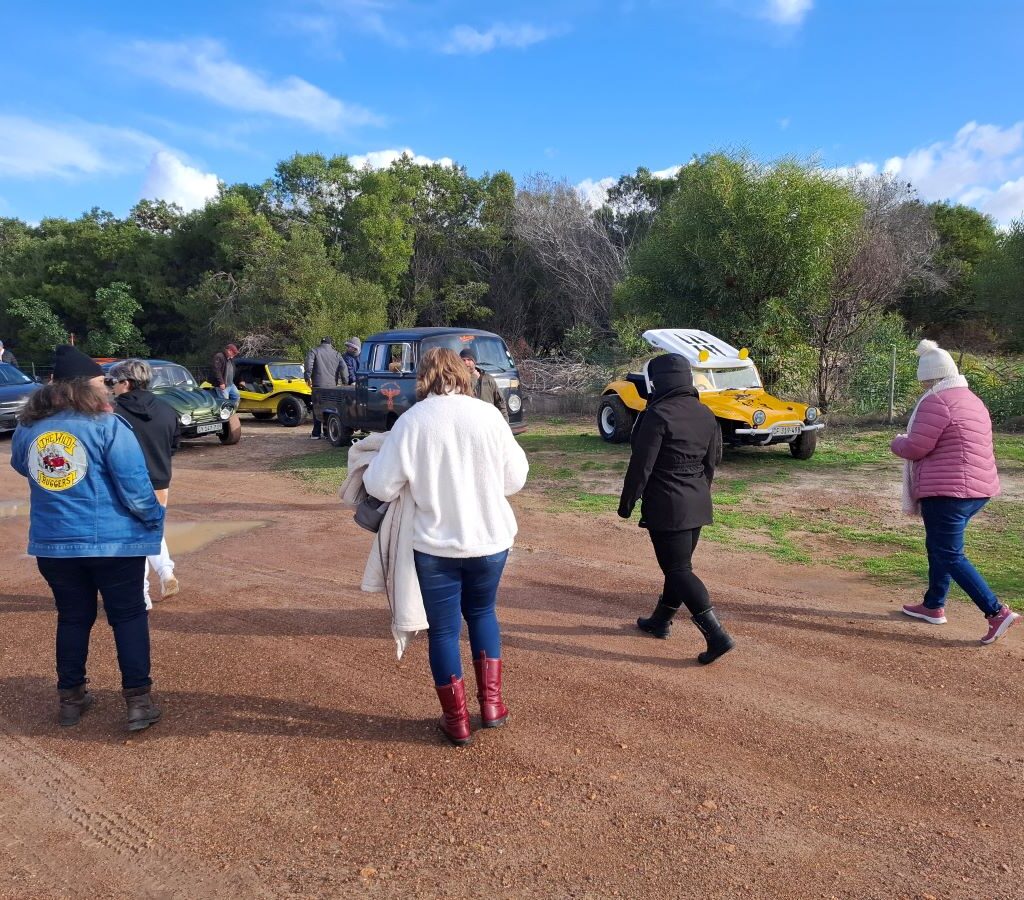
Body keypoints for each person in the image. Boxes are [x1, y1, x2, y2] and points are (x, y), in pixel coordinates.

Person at [363, 348, 529, 745]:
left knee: (444, 631)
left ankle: (456, 722)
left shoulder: (412, 421)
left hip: (435, 548)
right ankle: (492, 706)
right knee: (483, 613)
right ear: (462, 373)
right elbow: (515, 479)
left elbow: (380, 486)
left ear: (424, 377)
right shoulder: (489, 415)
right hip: (490, 542)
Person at [10, 345, 164, 732]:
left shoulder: (28, 427)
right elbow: (135, 487)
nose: (107, 387)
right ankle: (138, 702)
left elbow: (23, 465)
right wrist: (154, 517)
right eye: (101, 381)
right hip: (114, 542)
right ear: (84, 386)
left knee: (73, 617)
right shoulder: (108, 425)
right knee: (128, 616)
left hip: (53, 542)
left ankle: (71, 699)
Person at [891, 339, 1018, 645]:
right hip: (977, 490)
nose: (923, 387)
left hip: (948, 492)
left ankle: (996, 611)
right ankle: (933, 605)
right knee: (939, 546)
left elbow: (916, 447)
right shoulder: (971, 399)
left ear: (930, 378)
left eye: (924, 381)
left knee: (948, 552)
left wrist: (897, 442)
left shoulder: (937, 401)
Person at [617, 353, 733, 665]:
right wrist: (698, 493)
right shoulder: (706, 413)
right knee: (679, 566)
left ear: (658, 382)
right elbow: (712, 462)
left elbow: (641, 466)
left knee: (678, 570)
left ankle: (716, 635)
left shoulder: (657, 414)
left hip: (667, 504)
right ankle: (660, 620)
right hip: (696, 502)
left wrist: (627, 504)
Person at [108, 359, 181, 609]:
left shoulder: (113, 414)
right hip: (160, 479)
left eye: (113, 382)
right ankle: (166, 572)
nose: (111, 387)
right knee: (152, 527)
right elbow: (174, 445)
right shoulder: (167, 408)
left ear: (126, 383)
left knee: (131, 539)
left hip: (124, 482)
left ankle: (142, 594)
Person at [305, 337, 347, 439]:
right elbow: (344, 368)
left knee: (317, 408)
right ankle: (327, 433)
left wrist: (307, 377)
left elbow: (308, 364)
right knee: (329, 408)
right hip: (332, 386)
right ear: (330, 344)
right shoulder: (337, 354)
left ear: (321, 343)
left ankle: (316, 433)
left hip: (318, 386)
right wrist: (345, 382)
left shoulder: (314, 351)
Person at [459, 348, 508, 422]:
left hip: (488, 422)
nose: (466, 362)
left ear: (474, 361)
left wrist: (505, 422)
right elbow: (464, 395)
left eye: (469, 360)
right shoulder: (458, 380)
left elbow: (500, 402)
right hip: (469, 423)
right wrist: (474, 378)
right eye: (463, 360)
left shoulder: (488, 378)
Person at [211, 342, 240, 409]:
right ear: (229, 350)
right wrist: (221, 382)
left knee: (236, 397)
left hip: (231, 384)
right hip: (223, 385)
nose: (235, 355)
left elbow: (233, 370)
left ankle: (232, 411)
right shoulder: (219, 356)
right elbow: (216, 370)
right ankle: (224, 413)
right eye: (234, 353)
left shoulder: (230, 359)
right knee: (224, 401)